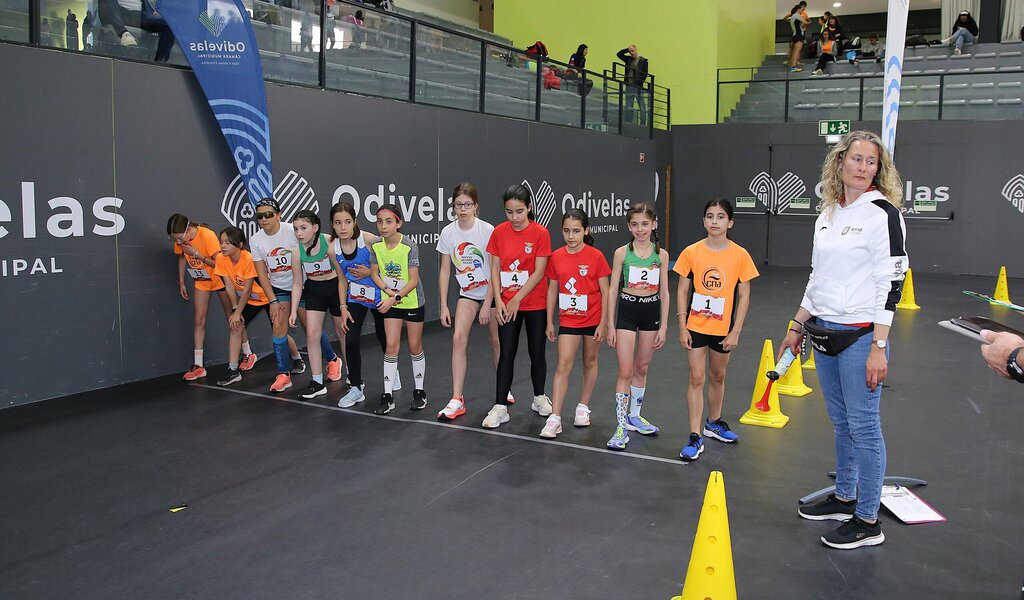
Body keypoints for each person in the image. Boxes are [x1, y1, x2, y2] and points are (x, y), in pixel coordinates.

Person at [786, 130, 908, 550]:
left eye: (871, 161)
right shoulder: (828, 214)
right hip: (825, 332)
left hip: (861, 338)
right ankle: (844, 498)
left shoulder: (883, 214)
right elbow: (817, 278)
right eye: (856, 158)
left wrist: (879, 346)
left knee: (865, 427)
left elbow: (892, 283)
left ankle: (868, 520)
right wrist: (797, 324)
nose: (863, 167)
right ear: (839, 162)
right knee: (842, 424)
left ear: (879, 168)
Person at [673, 199, 759, 462]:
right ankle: (694, 435)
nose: (714, 221)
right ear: (703, 221)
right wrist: (682, 325)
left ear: (730, 222)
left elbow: (744, 295)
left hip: (723, 327)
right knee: (697, 377)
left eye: (720, 217)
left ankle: (713, 423)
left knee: (718, 375)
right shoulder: (691, 252)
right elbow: (682, 290)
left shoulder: (740, 255)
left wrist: (736, 331)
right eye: (710, 216)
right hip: (696, 326)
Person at [250, 198, 342, 394]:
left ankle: (333, 360)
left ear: (278, 215)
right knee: (278, 326)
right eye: (260, 216)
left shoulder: (293, 231)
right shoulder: (256, 240)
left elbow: (316, 245)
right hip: (279, 288)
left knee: (311, 327)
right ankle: (283, 375)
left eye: (268, 214)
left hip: (303, 284)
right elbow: (261, 274)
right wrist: (272, 301)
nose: (264, 219)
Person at [481, 184, 553, 429]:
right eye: (509, 212)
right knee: (506, 352)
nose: (514, 217)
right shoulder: (499, 232)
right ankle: (500, 406)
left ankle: (539, 397)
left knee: (537, 351)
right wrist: (499, 300)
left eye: (519, 211)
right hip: (506, 303)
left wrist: (516, 299)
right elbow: (494, 267)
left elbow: (539, 271)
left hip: (534, 303)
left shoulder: (541, 233)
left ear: (529, 208)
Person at [436, 182, 504, 422]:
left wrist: (488, 304)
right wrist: (443, 305)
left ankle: (503, 388)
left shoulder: (487, 230)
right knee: (458, 338)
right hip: (467, 293)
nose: (462, 209)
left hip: (491, 293)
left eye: (467, 205)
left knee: (496, 341)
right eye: (458, 205)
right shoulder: (448, 232)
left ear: (475, 206)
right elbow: (445, 270)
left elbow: (495, 269)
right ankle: (457, 398)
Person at [540, 209, 611, 439]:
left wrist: (604, 323)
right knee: (563, 363)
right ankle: (555, 418)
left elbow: (606, 291)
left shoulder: (596, 256)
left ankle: (583, 407)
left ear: (586, 231)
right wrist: (549, 320)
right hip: (568, 319)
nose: (570, 236)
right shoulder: (556, 256)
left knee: (590, 360)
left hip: (593, 318)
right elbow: (552, 290)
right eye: (566, 231)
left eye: (576, 231)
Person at [604, 203, 670, 450]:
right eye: (635, 224)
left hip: (650, 312)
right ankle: (621, 426)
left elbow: (664, 291)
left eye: (644, 224)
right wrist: (610, 324)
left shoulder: (661, 255)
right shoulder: (622, 253)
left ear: (653, 224)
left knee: (641, 367)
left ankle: (634, 416)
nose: (640, 229)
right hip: (627, 312)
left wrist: (664, 326)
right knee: (625, 370)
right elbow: (612, 290)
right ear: (628, 226)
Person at [167, 214, 255, 381]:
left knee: (233, 318)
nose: (178, 242)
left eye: (179, 238)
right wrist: (182, 281)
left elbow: (219, 263)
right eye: (174, 239)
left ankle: (248, 353)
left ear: (188, 229)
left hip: (220, 279)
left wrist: (197, 254)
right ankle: (198, 365)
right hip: (202, 281)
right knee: (199, 320)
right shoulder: (181, 241)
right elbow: (182, 256)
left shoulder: (206, 235)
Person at [331, 202, 392, 408]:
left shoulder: (368, 240)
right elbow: (341, 280)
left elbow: (388, 266)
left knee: (384, 338)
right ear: (332, 224)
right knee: (351, 339)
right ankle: (356, 387)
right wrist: (342, 306)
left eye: (347, 222)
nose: (343, 227)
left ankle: (392, 374)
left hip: (379, 295)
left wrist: (370, 272)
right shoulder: (333, 249)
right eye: (338, 223)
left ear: (355, 222)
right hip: (355, 298)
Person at [369, 206, 427, 415]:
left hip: (411, 301)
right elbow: (374, 274)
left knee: (414, 346)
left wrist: (395, 297)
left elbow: (413, 281)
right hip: (390, 300)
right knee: (391, 346)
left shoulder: (409, 246)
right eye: (379, 221)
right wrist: (387, 291)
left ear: (399, 223)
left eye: (389, 221)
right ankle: (387, 396)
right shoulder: (376, 245)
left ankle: (419, 392)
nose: (383, 226)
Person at [288, 210, 350, 400]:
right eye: (296, 229)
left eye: (303, 228)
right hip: (314, 290)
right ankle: (317, 382)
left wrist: (343, 302)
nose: (299, 233)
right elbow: (297, 283)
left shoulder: (329, 242)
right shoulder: (296, 252)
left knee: (342, 332)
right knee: (312, 334)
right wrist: (293, 310)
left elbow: (342, 274)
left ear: (315, 228)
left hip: (335, 287)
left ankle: (352, 374)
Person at [215, 227, 276, 387]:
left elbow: (248, 289)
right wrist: (235, 309)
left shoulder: (248, 258)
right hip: (249, 301)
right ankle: (233, 370)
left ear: (240, 245)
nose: (223, 246)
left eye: (227, 243)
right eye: (221, 242)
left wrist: (238, 311)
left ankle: (297, 358)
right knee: (236, 327)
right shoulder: (221, 258)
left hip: (267, 297)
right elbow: (229, 285)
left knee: (279, 332)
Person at [96, 0, 175, 61]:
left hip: (139, 15)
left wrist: (155, 12)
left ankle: (160, 61)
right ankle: (124, 33)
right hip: (119, 12)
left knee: (170, 24)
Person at [616, 45, 650, 125]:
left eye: (632, 51)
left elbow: (645, 74)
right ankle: (629, 122)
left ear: (636, 49)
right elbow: (619, 54)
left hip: (638, 86)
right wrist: (626, 50)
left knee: (641, 105)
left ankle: (642, 123)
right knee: (628, 105)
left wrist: (638, 82)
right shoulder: (628, 59)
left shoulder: (643, 60)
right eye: (630, 51)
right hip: (629, 85)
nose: (631, 53)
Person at [785, 2, 809, 72]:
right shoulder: (797, 15)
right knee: (796, 51)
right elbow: (806, 22)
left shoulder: (793, 16)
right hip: (799, 35)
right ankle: (793, 67)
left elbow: (800, 25)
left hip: (795, 35)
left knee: (794, 51)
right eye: (801, 9)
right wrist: (808, 20)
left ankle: (792, 66)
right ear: (798, 9)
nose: (802, 10)